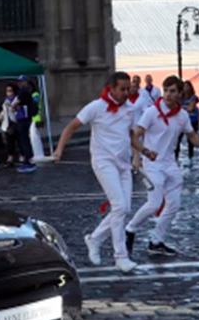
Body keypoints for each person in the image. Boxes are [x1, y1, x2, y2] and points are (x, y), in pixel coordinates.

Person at [54, 72, 142, 273]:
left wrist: (143, 152)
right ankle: (120, 256)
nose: (126, 93)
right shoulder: (96, 107)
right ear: (111, 88)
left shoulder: (130, 108)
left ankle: (94, 239)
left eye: (128, 89)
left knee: (124, 208)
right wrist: (59, 149)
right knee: (119, 206)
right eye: (122, 89)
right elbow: (71, 126)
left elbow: (130, 135)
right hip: (103, 162)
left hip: (123, 164)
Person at [128, 76, 199, 257]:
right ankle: (129, 229)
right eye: (166, 90)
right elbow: (135, 135)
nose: (168, 95)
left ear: (180, 94)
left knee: (174, 204)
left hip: (170, 163)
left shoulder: (182, 115)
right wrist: (138, 157)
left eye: (172, 91)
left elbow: (191, 136)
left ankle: (156, 241)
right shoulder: (151, 112)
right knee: (154, 203)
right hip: (152, 163)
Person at [3, 83, 37, 173]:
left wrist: (11, 105)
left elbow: (14, 105)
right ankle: (28, 160)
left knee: (24, 140)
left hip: (23, 120)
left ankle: (28, 161)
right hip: (24, 120)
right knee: (24, 140)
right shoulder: (26, 96)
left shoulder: (23, 97)